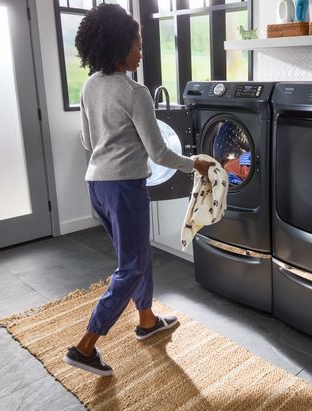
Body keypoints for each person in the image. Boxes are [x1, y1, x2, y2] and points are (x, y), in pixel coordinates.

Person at [63, 3, 212, 376]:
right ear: (118, 45)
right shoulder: (135, 92)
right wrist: (194, 162)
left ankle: (146, 320)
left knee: (135, 256)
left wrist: (111, 138)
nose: (141, 52)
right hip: (125, 188)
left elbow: (86, 138)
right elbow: (159, 151)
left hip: (96, 185)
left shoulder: (90, 86)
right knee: (130, 267)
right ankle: (85, 346)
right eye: (137, 44)